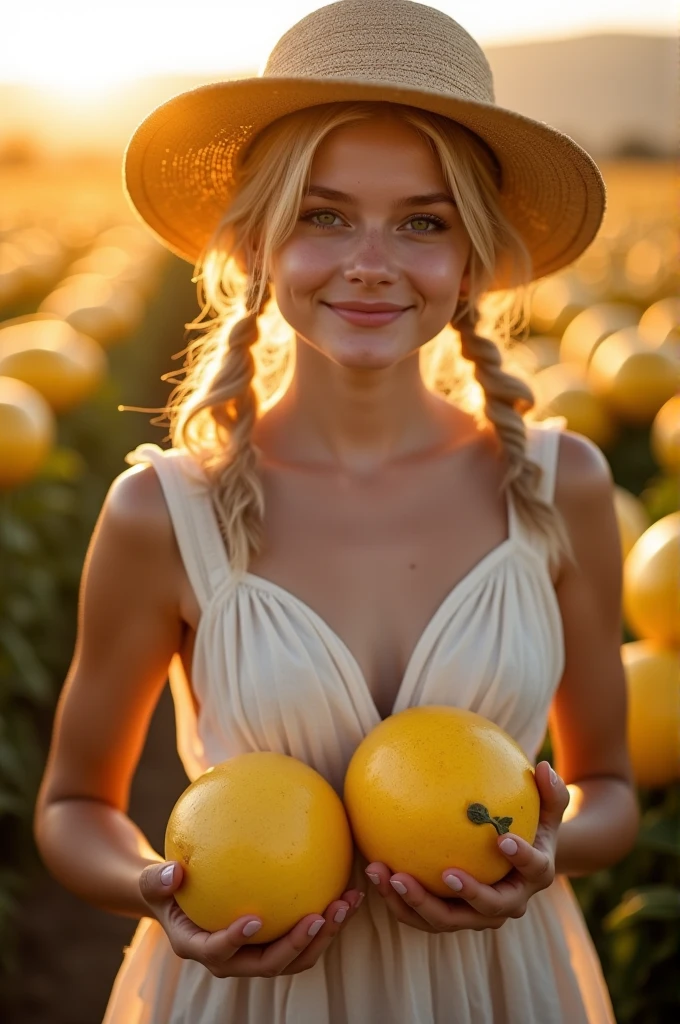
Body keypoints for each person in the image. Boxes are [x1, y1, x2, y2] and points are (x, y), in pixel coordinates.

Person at [34, 2, 640, 1021]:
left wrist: (543, 851)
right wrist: (156, 890)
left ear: (473, 259)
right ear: (255, 244)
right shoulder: (161, 509)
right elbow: (71, 806)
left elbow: (609, 787)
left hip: (496, 988)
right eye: (322, 215)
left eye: (422, 220)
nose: (370, 259)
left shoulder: (558, 486)